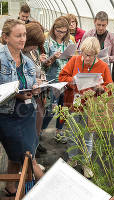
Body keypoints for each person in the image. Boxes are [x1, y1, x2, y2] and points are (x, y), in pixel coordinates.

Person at [0, 19, 43, 196]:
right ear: (5, 37)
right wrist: (16, 94)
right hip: (7, 115)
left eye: (24, 35)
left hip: (27, 113)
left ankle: (10, 187)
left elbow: (31, 85)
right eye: (18, 35)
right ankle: (48, 186)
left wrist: (35, 89)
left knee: (15, 154)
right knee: (28, 157)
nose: (23, 39)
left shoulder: (28, 62)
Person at [59, 36, 113, 178]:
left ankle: (86, 163)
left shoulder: (102, 66)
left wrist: (100, 88)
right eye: (84, 54)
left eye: (90, 56)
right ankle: (73, 159)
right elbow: (62, 76)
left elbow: (110, 88)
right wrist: (73, 81)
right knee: (72, 134)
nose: (87, 58)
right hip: (73, 104)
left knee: (88, 137)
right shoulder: (75, 60)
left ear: (96, 54)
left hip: (91, 107)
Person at [41, 16, 74, 140]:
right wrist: (53, 57)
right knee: (49, 109)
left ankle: (59, 131)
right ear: (53, 28)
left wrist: (71, 57)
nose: (60, 34)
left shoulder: (69, 42)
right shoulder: (47, 41)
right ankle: (40, 131)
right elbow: (43, 65)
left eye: (63, 31)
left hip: (66, 81)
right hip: (52, 81)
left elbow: (73, 62)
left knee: (63, 108)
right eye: (58, 31)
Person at [22, 22, 47, 155]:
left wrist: (41, 78)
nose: (36, 47)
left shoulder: (33, 52)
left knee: (38, 122)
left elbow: (38, 68)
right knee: (31, 126)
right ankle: (31, 154)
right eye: (35, 43)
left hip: (39, 93)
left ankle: (35, 146)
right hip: (29, 96)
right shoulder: (20, 54)